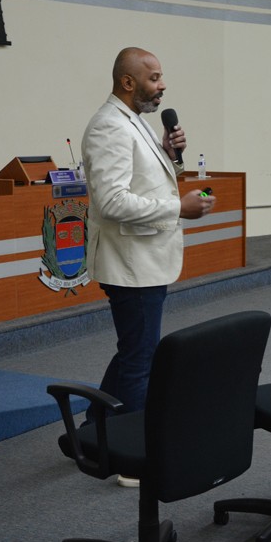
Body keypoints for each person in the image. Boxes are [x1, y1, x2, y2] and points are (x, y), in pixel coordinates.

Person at [58, 47, 215, 485]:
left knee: (134, 350)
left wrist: (169, 154)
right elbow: (111, 203)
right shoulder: (108, 125)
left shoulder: (134, 121)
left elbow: (145, 182)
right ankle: (133, 459)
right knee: (141, 359)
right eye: (154, 78)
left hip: (144, 258)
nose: (163, 85)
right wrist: (179, 208)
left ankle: (92, 429)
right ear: (128, 82)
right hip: (130, 263)